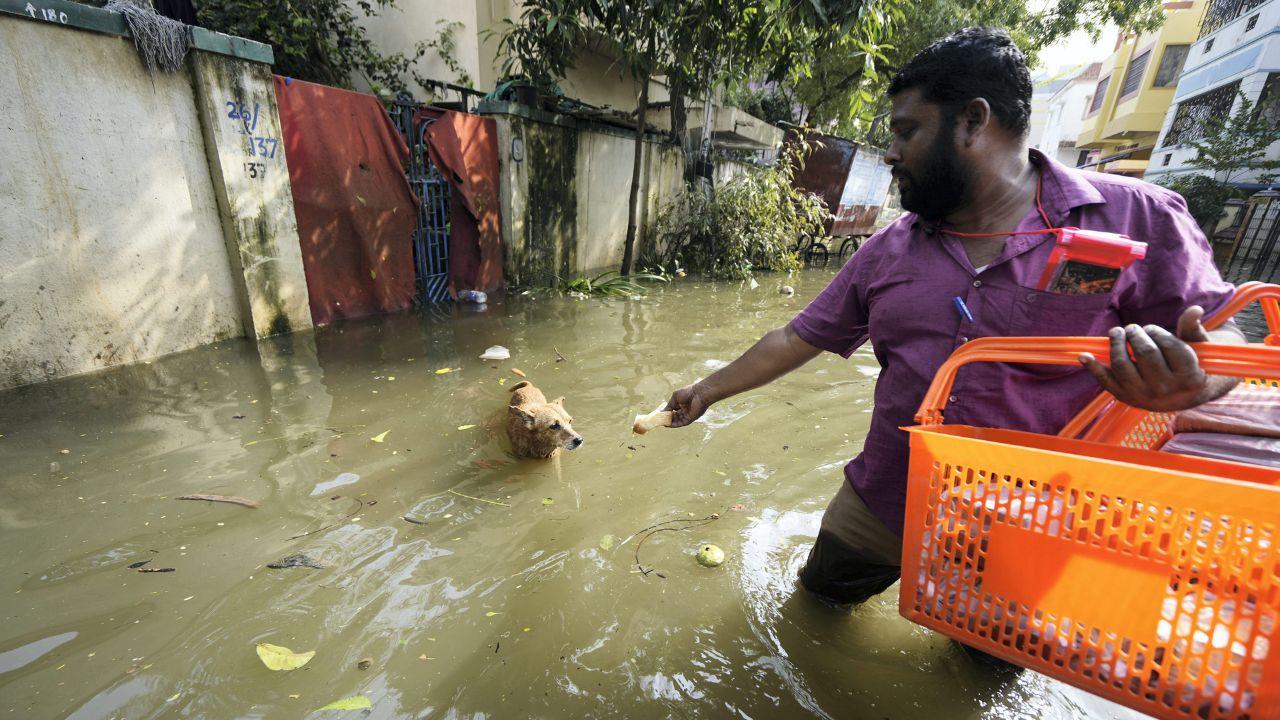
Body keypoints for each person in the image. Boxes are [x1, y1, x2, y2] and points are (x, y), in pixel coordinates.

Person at [663, 27, 1245, 608]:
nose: (890, 152)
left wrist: (1193, 382)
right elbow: (797, 335)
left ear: (971, 121)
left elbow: (1223, 337)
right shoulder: (889, 248)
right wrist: (707, 390)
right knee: (816, 609)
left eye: (906, 131)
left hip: (1034, 518)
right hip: (886, 496)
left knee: (987, 664)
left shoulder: (1134, 219)